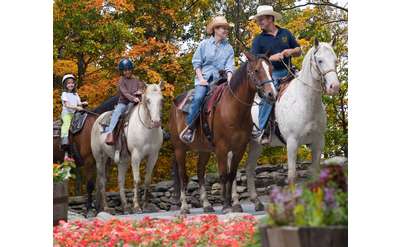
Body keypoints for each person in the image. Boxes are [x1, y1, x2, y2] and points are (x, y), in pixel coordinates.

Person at [249, 5, 302, 145]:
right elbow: (255, 61)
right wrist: (272, 57)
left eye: (262, 19)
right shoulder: (258, 40)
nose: (259, 22)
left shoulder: (285, 33)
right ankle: (263, 130)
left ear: (271, 19)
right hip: (272, 75)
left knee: (309, 87)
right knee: (269, 98)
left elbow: (298, 50)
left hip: (291, 72)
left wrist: (291, 51)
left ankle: (309, 126)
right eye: (258, 20)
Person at [180, 16, 235, 144]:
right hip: (203, 78)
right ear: (215, 29)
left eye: (226, 28)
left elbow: (229, 67)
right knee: (199, 97)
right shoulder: (204, 44)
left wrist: (230, 79)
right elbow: (196, 63)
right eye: (222, 28)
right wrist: (201, 79)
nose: (225, 30)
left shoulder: (229, 48)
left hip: (221, 80)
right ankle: (190, 128)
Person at [105, 58, 144, 145]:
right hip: (124, 102)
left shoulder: (136, 79)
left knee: (149, 108)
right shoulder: (121, 80)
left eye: (128, 70)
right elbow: (125, 93)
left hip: (136, 102)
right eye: (124, 70)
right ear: (122, 72)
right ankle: (110, 133)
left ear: (131, 70)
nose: (127, 72)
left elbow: (141, 87)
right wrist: (133, 98)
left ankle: (159, 129)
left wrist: (140, 91)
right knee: (117, 113)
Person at [60, 74, 87, 159]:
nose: (70, 84)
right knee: (66, 125)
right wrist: (76, 107)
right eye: (68, 83)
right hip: (67, 113)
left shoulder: (75, 94)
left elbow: (78, 103)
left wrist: (83, 103)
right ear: (65, 85)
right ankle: (64, 142)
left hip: (75, 113)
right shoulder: (64, 94)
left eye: (72, 83)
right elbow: (67, 105)